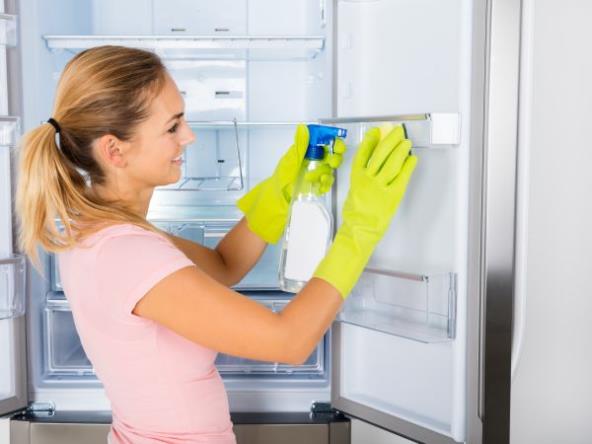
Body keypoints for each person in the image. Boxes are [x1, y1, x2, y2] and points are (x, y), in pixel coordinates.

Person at [15, 45, 417, 444]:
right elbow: (289, 341)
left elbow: (224, 265)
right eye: (172, 127)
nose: (188, 137)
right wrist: (360, 228)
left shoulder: (101, 231)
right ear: (115, 150)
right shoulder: (128, 253)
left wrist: (280, 191)